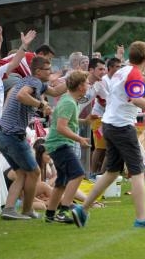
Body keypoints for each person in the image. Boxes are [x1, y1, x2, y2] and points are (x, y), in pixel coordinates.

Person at [71, 41, 145, 229]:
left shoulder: (124, 71)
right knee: (137, 172)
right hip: (121, 126)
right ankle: (142, 219)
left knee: (111, 172)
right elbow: (136, 98)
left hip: (110, 124)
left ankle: (83, 209)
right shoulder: (134, 73)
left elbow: (135, 91)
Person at [0, 55, 66, 220]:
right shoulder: (34, 82)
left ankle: (9, 209)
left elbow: (55, 91)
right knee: (33, 172)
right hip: (12, 135)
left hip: (2, 135)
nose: (51, 72)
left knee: (21, 173)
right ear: (39, 72)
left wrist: (74, 81)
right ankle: (26, 210)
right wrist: (41, 105)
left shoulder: (33, 82)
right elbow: (21, 96)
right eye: (48, 69)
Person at [43, 70, 92, 224]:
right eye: (86, 83)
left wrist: (85, 121)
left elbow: (69, 121)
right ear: (80, 87)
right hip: (59, 144)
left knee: (61, 182)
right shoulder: (69, 102)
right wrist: (79, 139)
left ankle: (50, 214)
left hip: (58, 144)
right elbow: (61, 127)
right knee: (78, 174)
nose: (89, 85)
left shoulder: (69, 100)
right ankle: (64, 211)